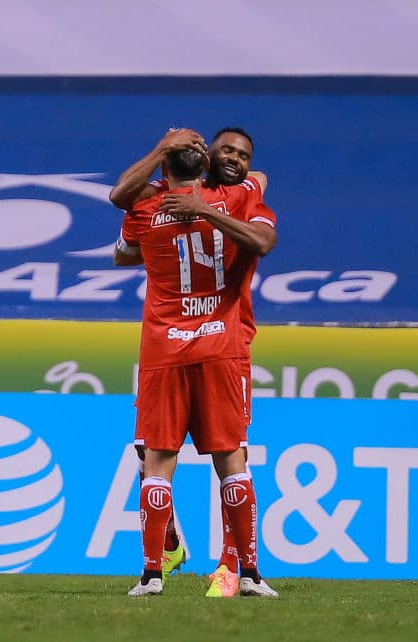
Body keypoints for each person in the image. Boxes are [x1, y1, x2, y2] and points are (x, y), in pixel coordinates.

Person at [112, 127, 276, 597]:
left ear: (164, 166)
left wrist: (162, 150)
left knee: (157, 460)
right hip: (220, 345)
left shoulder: (145, 207)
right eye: (221, 150)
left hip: (165, 346)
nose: (235, 159)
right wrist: (209, 201)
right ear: (205, 165)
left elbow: (120, 225)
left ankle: (151, 575)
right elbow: (258, 196)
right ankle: (249, 573)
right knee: (232, 459)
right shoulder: (237, 200)